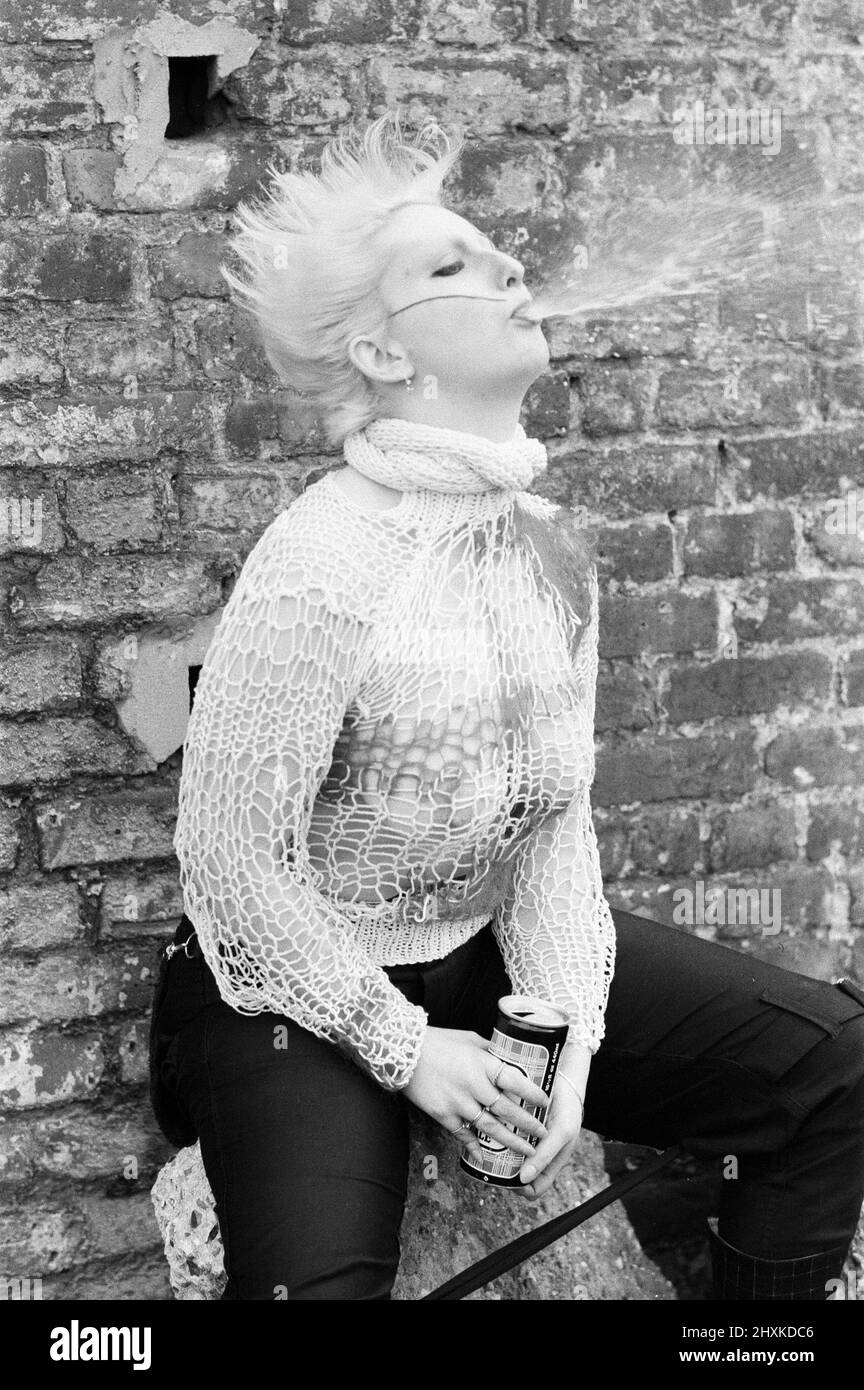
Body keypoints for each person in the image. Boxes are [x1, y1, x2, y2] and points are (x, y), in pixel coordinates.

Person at [148, 111, 864, 1301]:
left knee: (835, 1064)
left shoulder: (550, 551)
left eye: (493, 251)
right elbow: (230, 867)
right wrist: (402, 1047)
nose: (509, 269)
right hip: (281, 989)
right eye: (452, 265)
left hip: (479, 955)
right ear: (383, 356)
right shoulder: (319, 562)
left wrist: (574, 1040)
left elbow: (552, 829)